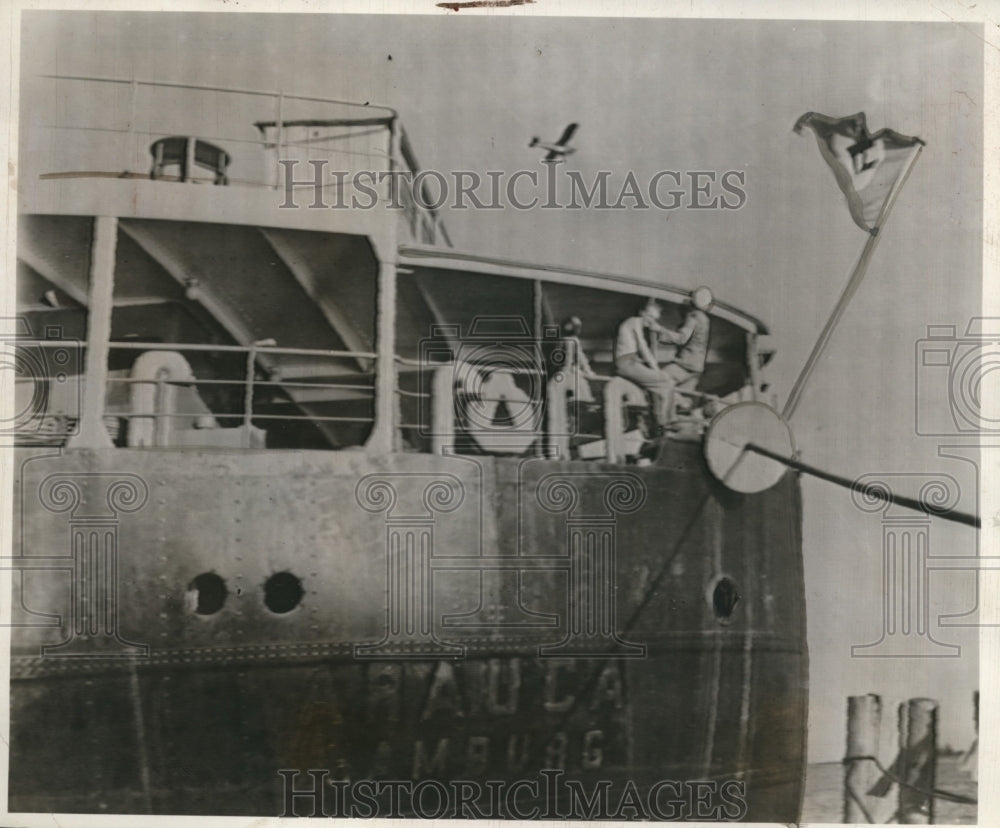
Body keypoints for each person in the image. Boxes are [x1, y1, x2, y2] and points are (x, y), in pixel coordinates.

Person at [613, 299, 675, 430]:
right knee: (667, 381)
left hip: (629, 362)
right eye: (650, 316)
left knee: (666, 385)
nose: (652, 321)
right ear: (642, 313)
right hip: (627, 364)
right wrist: (656, 369)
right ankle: (665, 422)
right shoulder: (634, 321)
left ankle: (664, 419)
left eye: (655, 319)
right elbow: (643, 347)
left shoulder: (633, 323)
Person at [657, 286, 713, 417]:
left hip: (685, 364)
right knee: (678, 401)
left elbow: (682, 338)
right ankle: (682, 409)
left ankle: (683, 403)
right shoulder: (706, 320)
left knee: (657, 380)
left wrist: (660, 332)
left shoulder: (693, 317)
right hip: (697, 367)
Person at [549, 316, 599, 403]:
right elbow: (574, 357)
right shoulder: (565, 340)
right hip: (568, 372)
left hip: (570, 373)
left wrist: (587, 371)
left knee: (555, 388)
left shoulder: (571, 340)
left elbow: (579, 357)